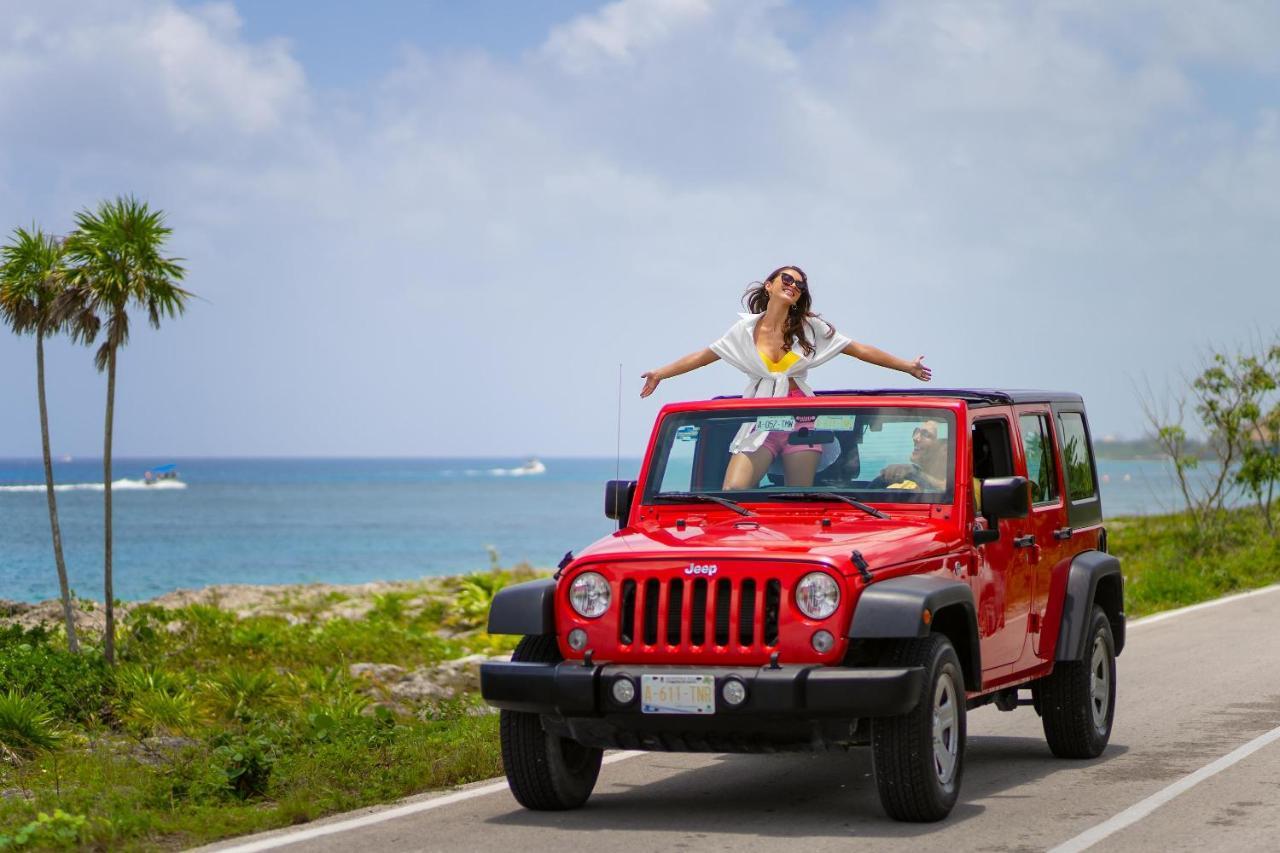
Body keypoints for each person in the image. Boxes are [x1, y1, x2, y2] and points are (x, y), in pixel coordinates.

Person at [640, 265, 932, 490]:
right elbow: (705, 355)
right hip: (760, 418)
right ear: (769, 286)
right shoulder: (744, 330)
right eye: (787, 280)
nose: (794, 286)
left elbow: (858, 349)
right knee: (733, 488)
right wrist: (660, 374)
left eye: (800, 285)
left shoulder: (810, 328)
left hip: (801, 419)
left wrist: (906, 366)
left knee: (794, 497)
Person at [878, 420, 948, 490]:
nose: (915, 438)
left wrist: (915, 473)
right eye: (917, 432)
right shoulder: (905, 485)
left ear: (945, 449)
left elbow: (947, 489)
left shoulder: (953, 486)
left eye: (926, 434)